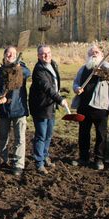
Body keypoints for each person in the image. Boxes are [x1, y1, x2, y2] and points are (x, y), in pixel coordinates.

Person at [71, 45, 109, 170]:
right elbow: (76, 82)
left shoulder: (106, 67)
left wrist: (105, 69)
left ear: (101, 54)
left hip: (100, 107)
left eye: (96, 52)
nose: (93, 54)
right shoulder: (83, 68)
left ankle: (99, 159)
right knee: (83, 133)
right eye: (91, 53)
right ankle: (83, 158)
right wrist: (76, 88)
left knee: (101, 134)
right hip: (84, 106)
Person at [28, 45, 69, 174]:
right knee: (41, 135)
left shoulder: (53, 64)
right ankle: (39, 163)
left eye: (48, 53)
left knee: (49, 134)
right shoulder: (39, 70)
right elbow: (47, 88)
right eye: (43, 53)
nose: (46, 55)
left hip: (50, 106)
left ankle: (45, 156)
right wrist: (60, 99)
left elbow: (54, 85)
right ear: (38, 56)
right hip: (40, 106)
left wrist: (57, 98)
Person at [0, 46, 30, 176]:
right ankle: (3, 159)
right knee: (3, 137)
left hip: (19, 109)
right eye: (8, 53)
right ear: (4, 55)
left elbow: (27, 73)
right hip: (4, 109)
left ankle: (18, 165)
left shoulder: (22, 69)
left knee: (20, 138)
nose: (10, 55)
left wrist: (17, 67)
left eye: (13, 53)